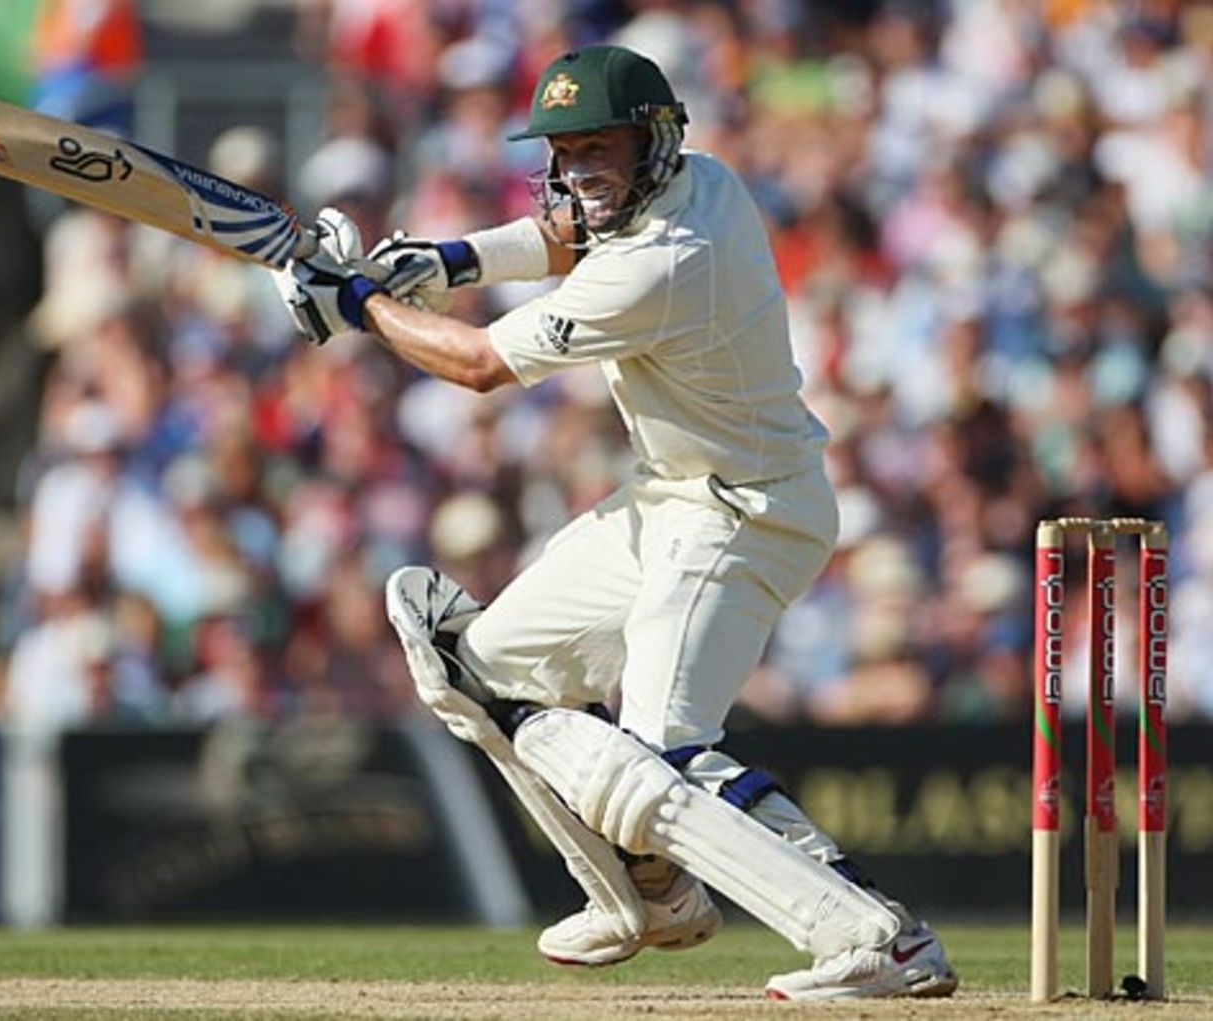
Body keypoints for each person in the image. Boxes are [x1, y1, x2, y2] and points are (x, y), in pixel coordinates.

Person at [275, 44, 957, 1002]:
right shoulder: (697, 184)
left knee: (663, 748)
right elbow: (561, 232)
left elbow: (476, 365)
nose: (584, 170)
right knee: (483, 667)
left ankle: (877, 936)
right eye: (568, 150)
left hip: (743, 512)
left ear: (656, 142)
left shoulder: (666, 262)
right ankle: (648, 891)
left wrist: (358, 302)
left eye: (604, 148)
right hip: (665, 498)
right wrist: (440, 258)